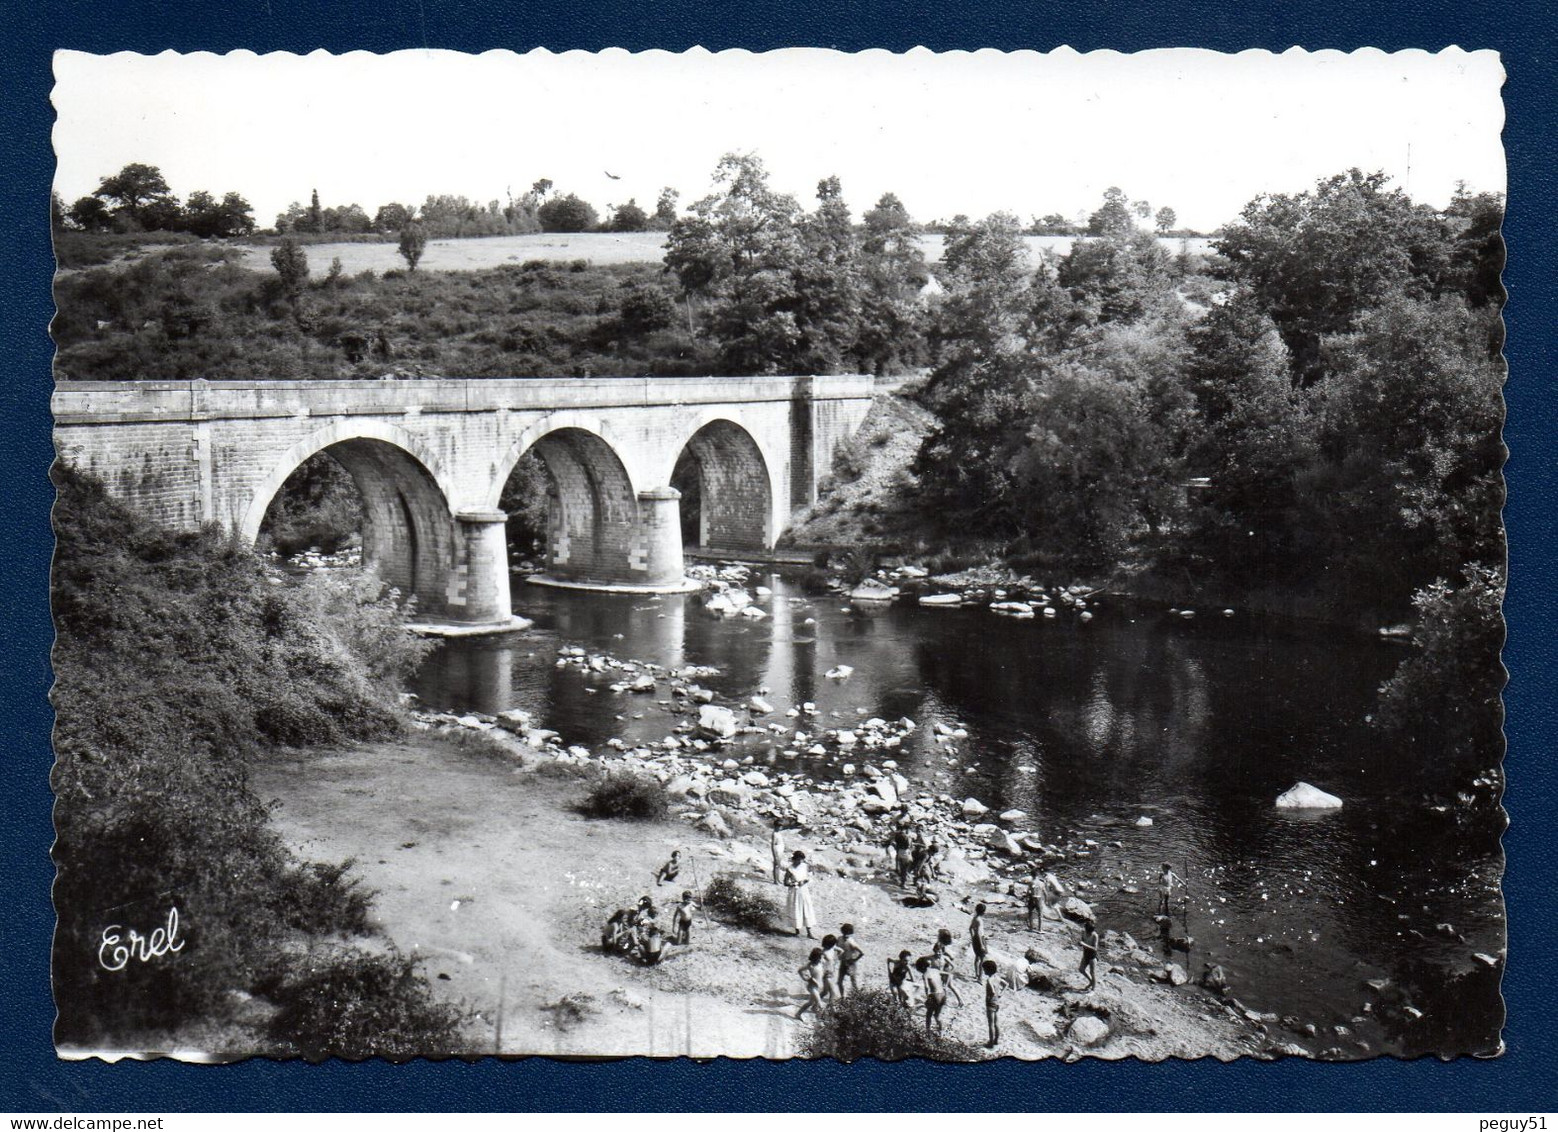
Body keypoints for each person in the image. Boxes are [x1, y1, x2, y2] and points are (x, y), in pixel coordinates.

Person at [783, 850, 817, 938]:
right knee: (796, 909)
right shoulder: (790, 869)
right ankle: (797, 931)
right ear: (795, 859)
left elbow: (809, 875)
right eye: (798, 860)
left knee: (806, 909)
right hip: (795, 892)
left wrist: (805, 880)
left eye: (801, 860)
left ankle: (809, 933)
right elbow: (785, 882)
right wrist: (795, 883)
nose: (800, 862)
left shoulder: (804, 866)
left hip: (804, 891)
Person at [931, 928, 965, 1007]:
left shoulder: (939, 945)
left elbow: (940, 955)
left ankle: (946, 1001)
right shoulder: (944, 945)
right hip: (947, 967)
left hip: (945, 968)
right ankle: (960, 1000)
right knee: (950, 985)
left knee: (945, 986)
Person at [917, 956, 947, 1035]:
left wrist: (927, 997)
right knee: (937, 1016)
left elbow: (926, 987)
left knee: (928, 1015)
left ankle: (928, 1032)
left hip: (935, 995)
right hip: (943, 994)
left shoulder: (925, 974)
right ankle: (941, 1031)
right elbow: (948, 974)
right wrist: (946, 985)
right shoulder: (935, 970)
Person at [795, 947, 826, 1019]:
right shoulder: (810, 965)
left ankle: (798, 1014)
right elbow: (800, 970)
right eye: (820, 957)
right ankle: (822, 1020)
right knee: (820, 1004)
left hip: (819, 986)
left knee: (810, 1003)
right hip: (812, 987)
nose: (821, 958)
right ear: (815, 957)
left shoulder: (821, 962)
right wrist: (805, 978)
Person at [836, 923, 864, 996]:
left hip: (850, 963)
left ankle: (857, 996)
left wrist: (854, 960)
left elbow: (862, 953)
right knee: (841, 981)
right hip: (844, 962)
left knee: (853, 981)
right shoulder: (839, 939)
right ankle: (842, 997)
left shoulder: (850, 942)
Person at [982, 958, 1003, 1048]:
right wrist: (1001, 994)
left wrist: (989, 997)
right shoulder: (997, 978)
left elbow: (993, 992)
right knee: (996, 1023)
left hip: (990, 1003)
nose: (983, 971)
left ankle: (990, 1043)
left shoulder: (989, 980)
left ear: (987, 970)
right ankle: (996, 1041)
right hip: (997, 1003)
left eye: (984, 970)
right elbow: (1006, 984)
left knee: (990, 1024)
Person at [818, 934, 841, 1003]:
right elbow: (820, 963)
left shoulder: (833, 948)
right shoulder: (823, 953)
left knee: (825, 992)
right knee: (832, 992)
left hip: (831, 972)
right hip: (826, 974)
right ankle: (831, 1008)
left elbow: (841, 951)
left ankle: (814, 1002)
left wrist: (836, 959)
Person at [1079, 918, 1100, 991]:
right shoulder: (1083, 932)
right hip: (1085, 954)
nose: (1089, 933)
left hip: (1092, 956)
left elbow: (1095, 948)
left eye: (1090, 932)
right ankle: (1091, 982)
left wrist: (1084, 944)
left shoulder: (1095, 936)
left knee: (1092, 972)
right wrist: (1081, 943)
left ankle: (1093, 988)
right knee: (1081, 969)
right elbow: (1082, 940)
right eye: (1088, 932)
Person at [969, 902, 989, 977]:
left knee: (977, 957)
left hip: (975, 939)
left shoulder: (974, 918)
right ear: (983, 912)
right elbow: (979, 933)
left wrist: (972, 937)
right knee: (982, 958)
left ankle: (976, 974)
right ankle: (980, 977)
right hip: (980, 939)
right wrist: (981, 945)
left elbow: (970, 928)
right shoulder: (979, 920)